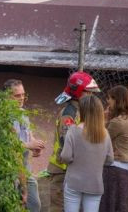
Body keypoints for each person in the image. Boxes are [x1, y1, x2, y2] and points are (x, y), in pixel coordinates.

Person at [48, 71, 101, 211]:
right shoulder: (69, 114)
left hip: (74, 170)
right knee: (59, 208)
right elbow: (67, 144)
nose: (92, 96)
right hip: (62, 170)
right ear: (78, 92)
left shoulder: (82, 112)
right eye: (89, 92)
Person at [60, 95, 114, 212]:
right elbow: (110, 160)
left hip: (74, 182)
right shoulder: (105, 133)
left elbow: (65, 157)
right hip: (95, 183)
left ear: (82, 111)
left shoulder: (73, 131)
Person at [3, 79, 44, 212]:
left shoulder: (23, 113)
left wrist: (35, 145)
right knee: (14, 204)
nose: (21, 98)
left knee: (34, 205)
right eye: (17, 95)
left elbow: (28, 134)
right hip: (10, 168)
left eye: (23, 94)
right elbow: (10, 146)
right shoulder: (3, 116)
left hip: (25, 166)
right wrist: (29, 145)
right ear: (7, 96)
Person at [100, 85, 128, 212]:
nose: (108, 101)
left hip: (113, 168)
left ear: (117, 100)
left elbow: (101, 140)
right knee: (121, 204)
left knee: (108, 204)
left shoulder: (117, 122)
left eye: (110, 98)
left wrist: (104, 120)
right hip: (125, 168)